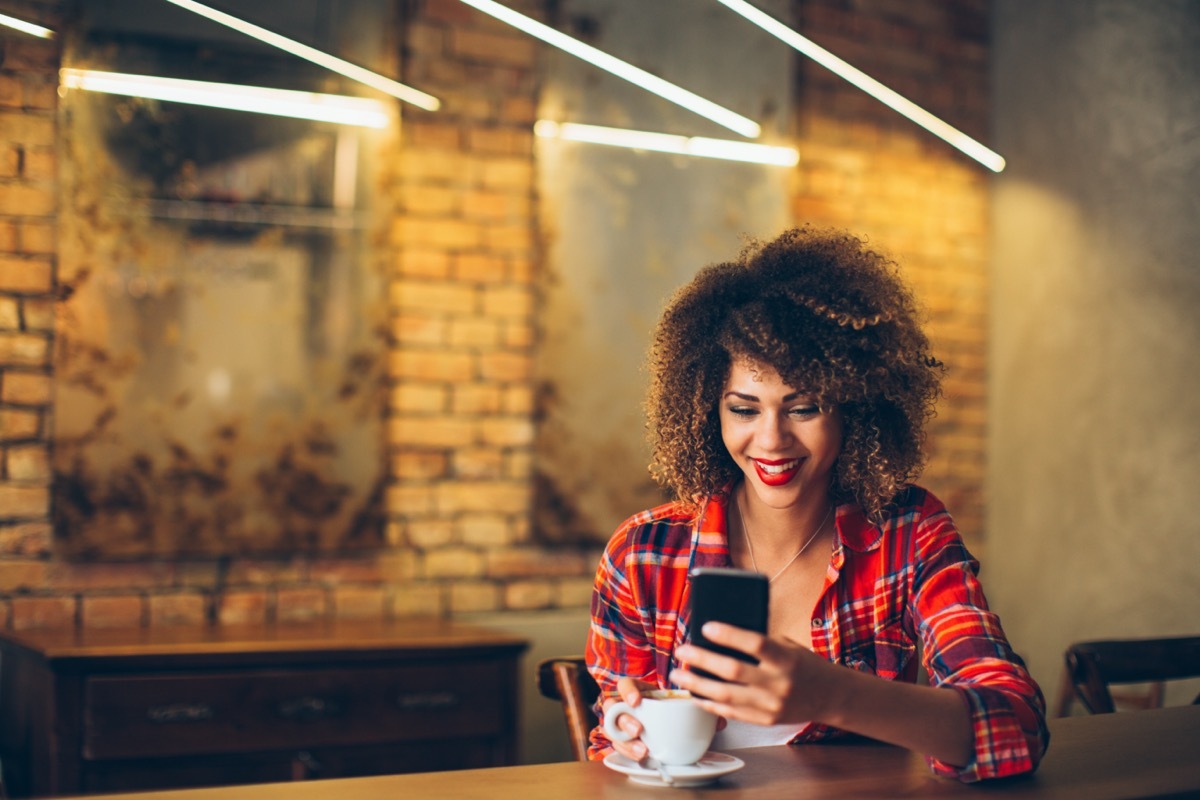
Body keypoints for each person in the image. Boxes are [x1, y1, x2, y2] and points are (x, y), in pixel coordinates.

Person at [585, 226, 1048, 782]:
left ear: (855, 409)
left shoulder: (908, 533)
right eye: (744, 409)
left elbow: (1016, 729)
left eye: (803, 408)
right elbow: (608, 753)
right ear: (709, 410)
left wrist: (833, 694)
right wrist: (629, 728)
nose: (772, 440)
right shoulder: (643, 553)